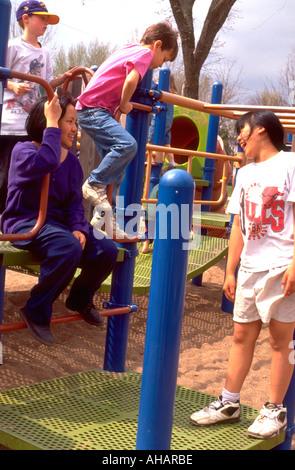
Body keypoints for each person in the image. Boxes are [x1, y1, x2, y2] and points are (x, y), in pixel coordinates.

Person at [190, 110, 295, 440]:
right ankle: (229, 402)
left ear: (261, 129)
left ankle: (275, 409)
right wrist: (230, 271)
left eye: (242, 130)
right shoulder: (245, 173)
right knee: (240, 336)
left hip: (281, 265)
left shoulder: (290, 165)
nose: (239, 137)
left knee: (280, 342)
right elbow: (238, 225)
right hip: (249, 266)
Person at [0, 93, 118, 346]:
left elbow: (75, 203)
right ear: (50, 122)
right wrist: (51, 123)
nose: (75, 129)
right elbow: (48, 160)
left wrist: (79, 228)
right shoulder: (24, 151)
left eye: (76, 123)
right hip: (27, 220)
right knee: (67, 247)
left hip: (59, 224)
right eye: (68, 122)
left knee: (106, 249)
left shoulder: (72, 162)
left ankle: (79, 298)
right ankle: (36, 309)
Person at [76, 21, 179, 238]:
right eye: (164, 58)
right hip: (94, 109)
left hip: (91, 109)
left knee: (117, 169)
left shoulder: (128, 49)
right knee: (127, 144)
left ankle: (105, 217)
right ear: (157, 45)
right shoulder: (144, 54)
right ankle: (93, 183)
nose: (160, 65)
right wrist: (124, 105)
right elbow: (130, 82)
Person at [0, 0, 76, 213]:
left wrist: (62, 79)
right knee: (5, 172)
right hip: (10, 121)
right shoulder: (13, 46)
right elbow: (2, 75)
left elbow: (47, 84)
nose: (46, 23)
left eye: (47, 20)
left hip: (31, 123)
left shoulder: (45, 54)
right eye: (42, 18)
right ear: (26, 19)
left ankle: (19, 216)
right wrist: (13, 85)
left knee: (27, 173)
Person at [147, 73, 178, 166]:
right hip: (168, 121)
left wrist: (154, 82)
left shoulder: (159, 89)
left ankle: (151, 161)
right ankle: (172, 164)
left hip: (159, 119)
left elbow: (151, 87)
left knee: (150, 141)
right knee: (166, 143)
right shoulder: (171, 93)